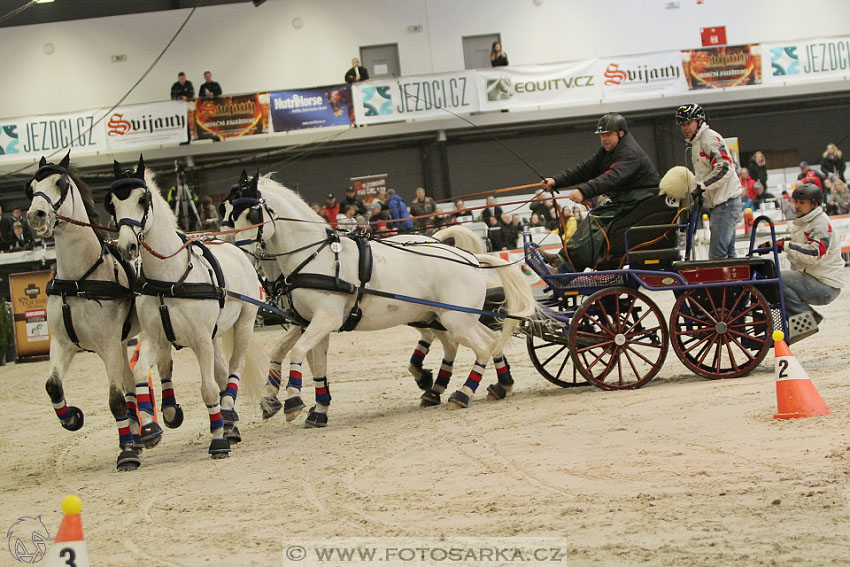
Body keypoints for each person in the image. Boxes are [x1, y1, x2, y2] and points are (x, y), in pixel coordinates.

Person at [541, 112, 660, 271]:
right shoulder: (607, 151)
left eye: (608, 134)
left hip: (641, 201)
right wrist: (556, 181)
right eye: (602, 135)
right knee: (593, 219)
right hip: (626, 200)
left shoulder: (630, 153)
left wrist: (583, 191)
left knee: (596, 222)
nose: (604, 138)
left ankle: (567, 265)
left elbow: (612, 177)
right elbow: (584, 169)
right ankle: (563, 258)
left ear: (621, 133)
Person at [760, 184, 843, 341]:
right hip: (814, 278)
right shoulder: (807, 221)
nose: (796, 206)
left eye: (802, 202)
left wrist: (784, 246)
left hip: (824, 285)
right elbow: (798, 241)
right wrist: (775, 244)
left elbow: (814, 253)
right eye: (796, 201)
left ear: (815, 203)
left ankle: (805, 317)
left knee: (779, 279)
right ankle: (799, 318)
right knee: (773, 278)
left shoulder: (820, 224)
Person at [676, 103, 742, 259]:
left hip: (726, 203)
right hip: (721, 203)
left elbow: (725, 167)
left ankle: (725, 283)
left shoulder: (709, 138)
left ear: (699, 121)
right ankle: (737, 283)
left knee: (717, 256)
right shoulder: (696, 143)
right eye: (682, 124)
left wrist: (702, 187)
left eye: (688, 123)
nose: (685, 128)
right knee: (728, 254)